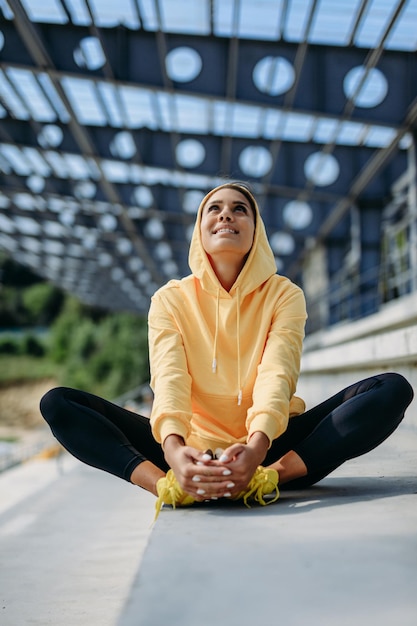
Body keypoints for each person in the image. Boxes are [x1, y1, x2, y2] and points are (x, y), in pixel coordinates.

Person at [40, 182, 414, 516]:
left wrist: (255, 451)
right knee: (59, 403)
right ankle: (169, 486)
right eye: (214, 208)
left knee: (391, 390)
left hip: (271, 447)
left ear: (256, 230)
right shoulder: (170, 299)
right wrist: (173, 451)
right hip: (191, 450)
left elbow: (277, 372)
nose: (226, 215)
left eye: (240, 209)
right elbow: (169, 377)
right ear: (199, 231)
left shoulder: (284, 295)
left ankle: (267, 481)